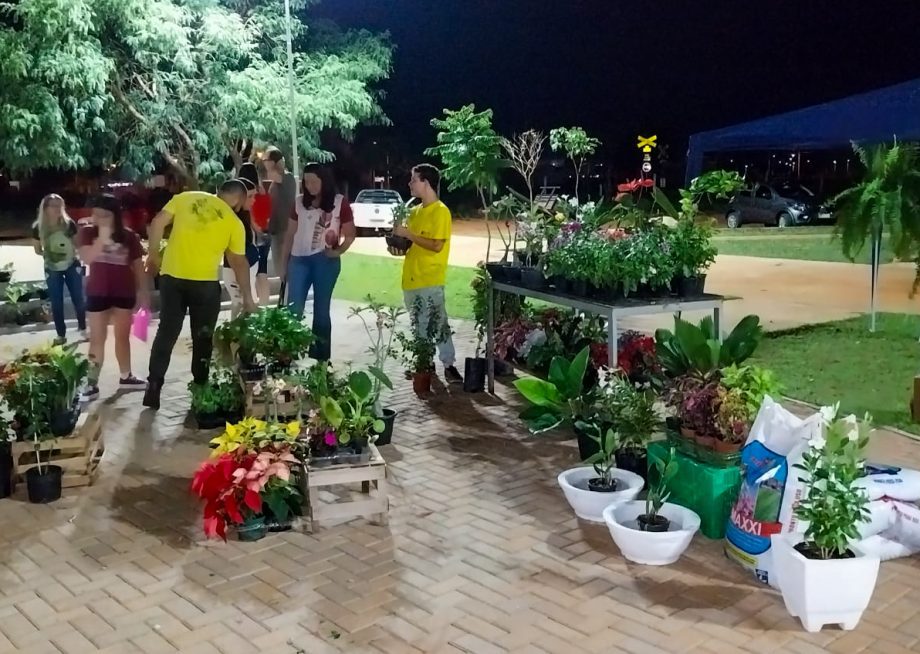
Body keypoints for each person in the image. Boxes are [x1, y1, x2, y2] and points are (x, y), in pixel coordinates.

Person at [143, 180, 256, 410]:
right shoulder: (234, 222)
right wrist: (248, 298)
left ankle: (154, 384)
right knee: (202, 337)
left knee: (167, 331)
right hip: (204, 284)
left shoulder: (186, 198)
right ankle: (200, 389)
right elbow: (239, 263)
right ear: (238, 200)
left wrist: (152, 254)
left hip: (171, 277)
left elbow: (157, 222)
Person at [389, 164, 462, 384]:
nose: (410, 184)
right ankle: (425, 363)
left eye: (414, 180)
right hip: (411, 278)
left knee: (438, 323)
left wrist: (408, 234)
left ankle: (449, 365)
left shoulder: (441, 211)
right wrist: (397, 245)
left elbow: (437, 245)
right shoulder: (413, 212)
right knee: (418, 325)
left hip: (430, 278)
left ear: (426, 183)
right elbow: (410, 245)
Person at [279, 163, 355, 361]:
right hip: (298, 260)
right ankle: (288, 355)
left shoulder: (339, 203)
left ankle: (320, 359)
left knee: (322, 311)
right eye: (306, 181)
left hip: (325, 261)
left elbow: (350, 234)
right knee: (293, 309)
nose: (310, 185)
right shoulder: (298, 202)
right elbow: (290, 234)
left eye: (314, 181)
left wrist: (337, 252)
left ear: (325, 181)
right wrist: (283, 263)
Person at [76, 194, 149, 399]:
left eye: (104, 216)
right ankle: (91, 384)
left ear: (115, 216)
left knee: (122, 338)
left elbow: (138, 267)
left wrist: (143, 294)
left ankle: (126, 377)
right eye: (96, 214)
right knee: (97, 339)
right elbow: (87, 258)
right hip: (98, 291)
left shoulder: (129, 236)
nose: (98, 219)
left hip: (123, 292)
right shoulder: (88, 233)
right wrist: (102, 238)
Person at [31, 194, 87, 344]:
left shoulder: (69, 224)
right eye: (53, 206)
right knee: (56, 301)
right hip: (52, 268)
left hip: (71, 265)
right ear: (45, 208)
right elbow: (37, 250)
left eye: (59, 205)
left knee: (78, 298)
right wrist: (50, 255)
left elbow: (77, 244)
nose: (57, 209)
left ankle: (83, 328)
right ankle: (61, 335)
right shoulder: (38, 227)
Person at [222, 170, 260, 318]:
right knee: (243, 304)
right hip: (238, 268)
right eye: (250, 196)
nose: (253, 200)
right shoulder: (231, 220)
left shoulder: (244, 216)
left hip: (247, 265)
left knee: (243, 304)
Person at [262, 146, 296, 279]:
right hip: (277, 230)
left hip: (284, 231)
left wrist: (275, 164)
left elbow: (271, 175)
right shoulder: (276, 182)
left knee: (285, 271)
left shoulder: (287, 178)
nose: (264, 162)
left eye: (266, 159)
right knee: (281, 271)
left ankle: (290, 297)